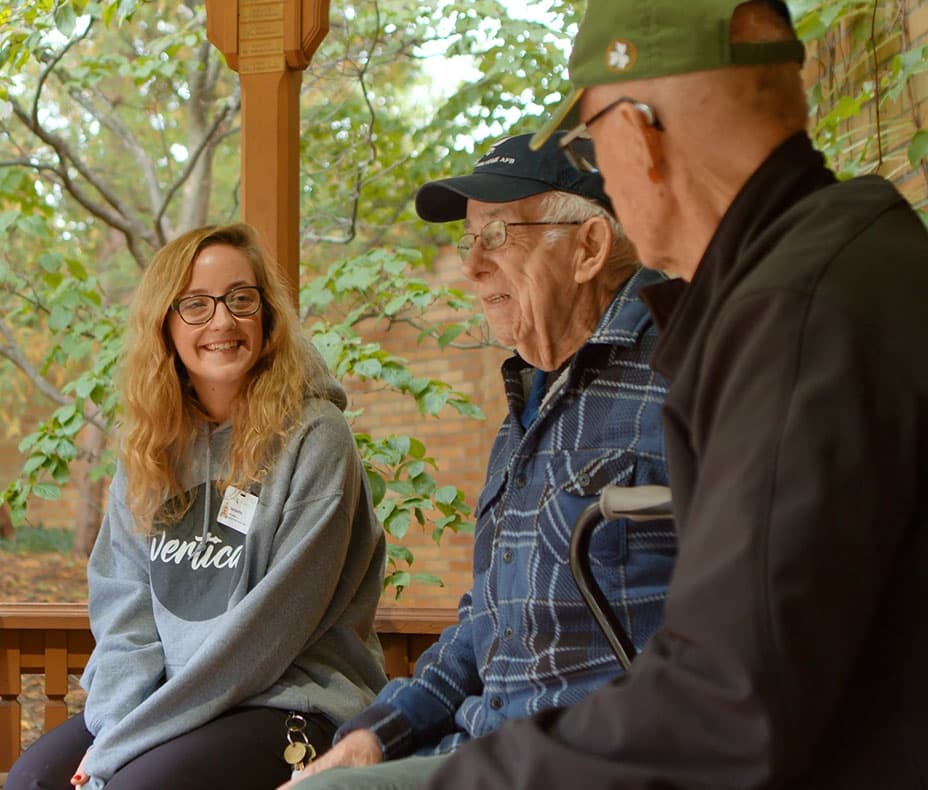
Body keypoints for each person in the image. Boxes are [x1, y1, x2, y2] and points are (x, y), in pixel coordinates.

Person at [424, 1, 928, 788]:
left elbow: (727, 702)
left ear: (637, 136)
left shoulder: (797, 316)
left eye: (595, 139)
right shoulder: (832, 274)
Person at [279, 132, 676, 790]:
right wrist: (379, 733)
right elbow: (486, 625)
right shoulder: (532, 398)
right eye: (469, 241)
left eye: (495, 236)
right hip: (483, 748)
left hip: (593, 761)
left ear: (589, 247)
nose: (470, 268)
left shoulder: (692, 375)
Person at [6, 223, 388, 790]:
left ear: (267, 315)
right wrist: (116, 725)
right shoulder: (151, 446)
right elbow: (123, 609)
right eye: (196, 304)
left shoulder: (315, 438)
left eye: (241, 299)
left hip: (289, 702)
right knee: (31, 781)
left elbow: (267, 634)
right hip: (167, 702)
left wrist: (122, 751)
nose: (223, 321)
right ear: (165, 324)